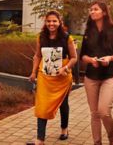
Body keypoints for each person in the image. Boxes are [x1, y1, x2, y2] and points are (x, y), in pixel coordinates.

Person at [28, 10, 78, 145]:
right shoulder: (41, 37)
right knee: (42, 105)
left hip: (62, 77)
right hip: (45, 76)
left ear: (59, 22)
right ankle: (40, 139)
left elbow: (74, 58)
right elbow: (38, 56)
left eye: (54, 21)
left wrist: (66, 68)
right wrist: (33, 72)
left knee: (63, 104)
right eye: (49, 21)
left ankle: (64, 129)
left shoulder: (67, 37)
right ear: (45, 22)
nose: (51, 24)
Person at [80, 1, 113, 145]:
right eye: (91, 9)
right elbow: (83, 55)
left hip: (109, 75)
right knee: (94, 114)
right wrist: (91, 60)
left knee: (104, 111)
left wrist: (110, 58)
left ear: (104, 12)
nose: (92, 12)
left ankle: (112, 138)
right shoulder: (88, 31)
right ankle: (97, 142)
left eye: (95, 9)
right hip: (91, 76)